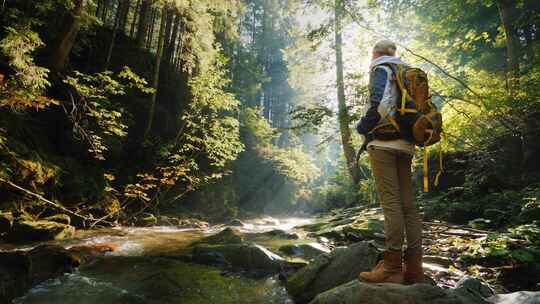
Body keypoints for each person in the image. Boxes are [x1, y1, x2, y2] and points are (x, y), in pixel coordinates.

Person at [356, 40, 424, 284]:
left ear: (375, 53)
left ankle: (392, 267)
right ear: (395, 54)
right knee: (408, 205)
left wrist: (362, 127)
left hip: (383, 144)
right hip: (406, 144)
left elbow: (379, 105)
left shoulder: (380, 68)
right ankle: (415, 269)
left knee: (391, 204)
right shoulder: (406, 72)